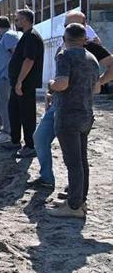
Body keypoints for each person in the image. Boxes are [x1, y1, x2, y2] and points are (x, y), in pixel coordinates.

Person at [28, 11, 113, 190]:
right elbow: (61, 77)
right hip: (61, 103)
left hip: (75, 107)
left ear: (85, 25)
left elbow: (111, 65)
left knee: (75, 158)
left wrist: (100, 82)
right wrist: (52, 94)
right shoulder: (64, 46)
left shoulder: (91, 47)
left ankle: (76, 195)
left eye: (73, 25)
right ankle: (48, 178)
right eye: (67, 25)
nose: (69, 29)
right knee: (41, 138)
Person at [46, 23, 100, 218]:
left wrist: (50, 85)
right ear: (84, 39)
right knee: (82, 161)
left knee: (73, 163)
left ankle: (74, 206)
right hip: (86, 115)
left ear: (65, 39)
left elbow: (61, 84)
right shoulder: (92, 58)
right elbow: (97, 88)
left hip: (68, 115)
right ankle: (80, 200)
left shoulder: (64, 55)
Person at [3, 9, 44, 158]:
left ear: (26, 20)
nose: (16, 22)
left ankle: (30, 146)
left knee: (27, 115)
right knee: (14, 111)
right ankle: (15, 141)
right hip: (18, 83)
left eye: (18, 20)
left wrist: (20, 81)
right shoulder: (26, 36)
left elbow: (29, 60)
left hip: (25, 84)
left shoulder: (31, 36)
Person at [0, 16, 19, 144]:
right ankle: (7, 129)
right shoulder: (4, 37)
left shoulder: (9, 36)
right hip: (2, 76)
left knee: (5, 106)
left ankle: (8, 132)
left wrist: (10, 73)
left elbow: (16, 55)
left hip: (5, 77)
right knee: (3, 105)